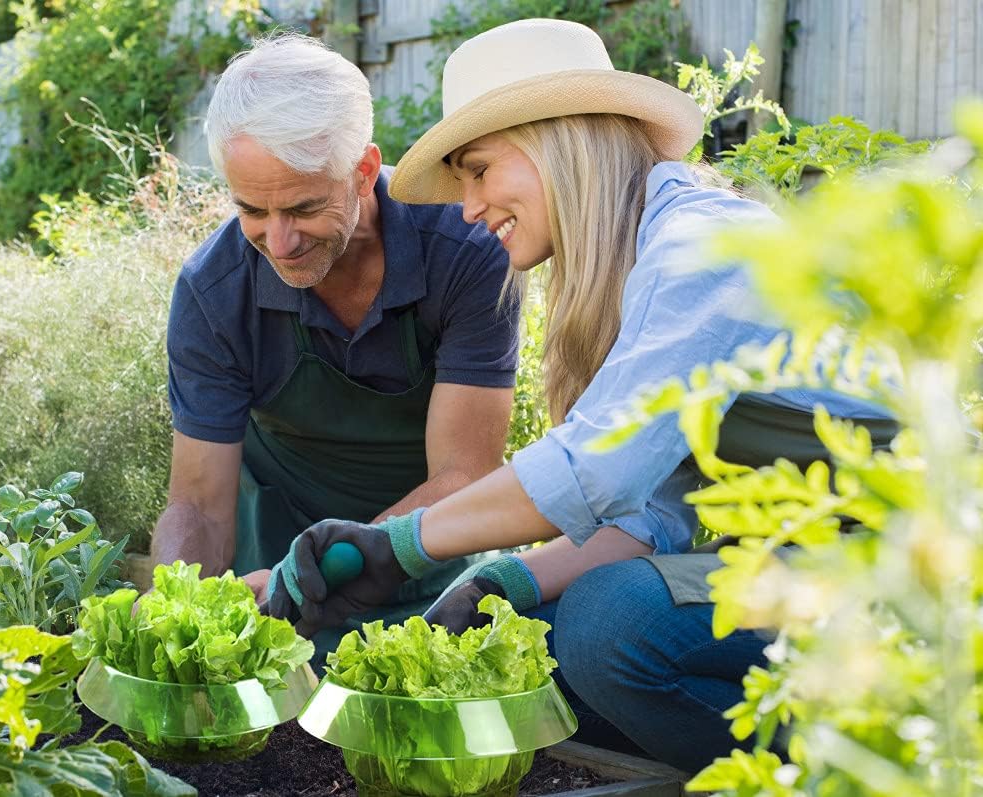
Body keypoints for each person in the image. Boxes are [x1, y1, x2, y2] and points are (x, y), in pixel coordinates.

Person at [263, 19, 897, 771]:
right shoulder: (644, 262)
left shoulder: (706, 251)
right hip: (788, 579)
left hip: (893, 581)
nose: (467, 207)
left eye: (479, 169)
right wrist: (503, 580)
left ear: (560, 140)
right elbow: (657, 516)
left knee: (607, 622)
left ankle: (860, 771)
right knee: (541, 638)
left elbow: (595, 468)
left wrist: (400, 544)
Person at [151, 32, 519, 652]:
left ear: (365, 171)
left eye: (303, 207)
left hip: (437, 552)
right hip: (282, 574)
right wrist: (179, 614)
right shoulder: (214, 291)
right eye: (252, 211)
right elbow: (199, 503)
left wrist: (342, 560)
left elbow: (464, 474)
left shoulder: (464, 251)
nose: (280, 241)